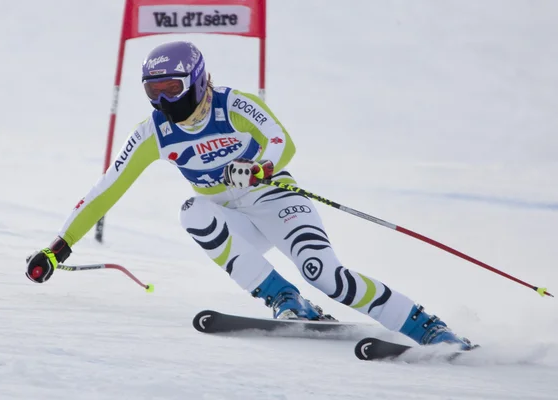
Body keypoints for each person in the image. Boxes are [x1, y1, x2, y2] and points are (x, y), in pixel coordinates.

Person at [25, 41, 474, 349]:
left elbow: (282, 141)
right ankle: (285, 299)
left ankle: (428, 328)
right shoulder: (153, 133)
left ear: (198, 81)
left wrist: (261, 167)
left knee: (326, 275)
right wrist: (59, 246)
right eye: (153, 92)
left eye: (172, 90)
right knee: (192, 211)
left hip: (275, 201)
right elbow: (105, 190)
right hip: (229, 214)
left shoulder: (233, 104)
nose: (163, 103)